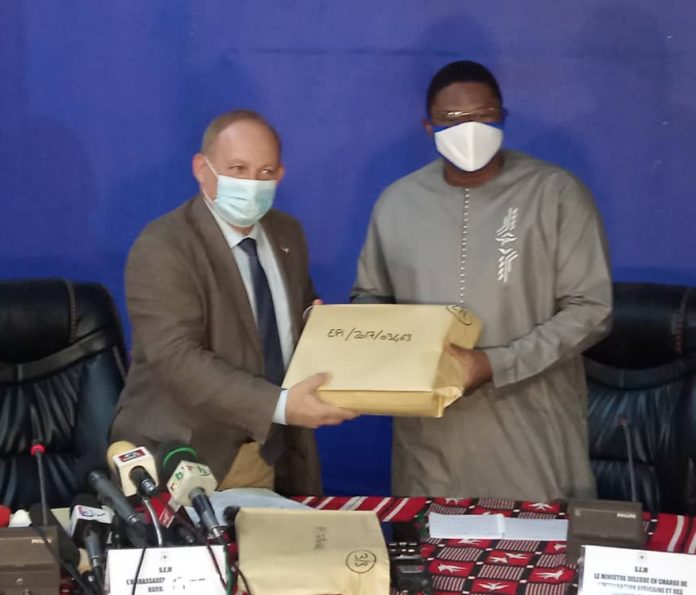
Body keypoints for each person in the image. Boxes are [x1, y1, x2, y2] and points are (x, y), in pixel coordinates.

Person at [352, 61, 612, 501]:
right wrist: (347, 333)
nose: (469, 129)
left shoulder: (555, 193)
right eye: (452, 118)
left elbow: (592, 309)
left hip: (531, 431)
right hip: (429, 440)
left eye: (483, 115)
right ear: (429, 126)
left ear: (502, 117)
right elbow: (371, 296)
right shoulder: (397, 203)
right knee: (433, 541)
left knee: (535, 541)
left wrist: (496, 364)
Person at [111, 109, 357, 495]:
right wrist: (279, 405)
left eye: (265, 172)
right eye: (237, 169)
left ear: (280, 175)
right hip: (189, 456)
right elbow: (177, 359)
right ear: (202, 168)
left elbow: (296, 318)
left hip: (277, 452)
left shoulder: (287, 233)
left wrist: (326, 332)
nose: (251, 184)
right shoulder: (163, 246)